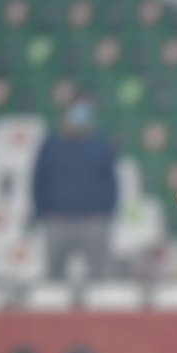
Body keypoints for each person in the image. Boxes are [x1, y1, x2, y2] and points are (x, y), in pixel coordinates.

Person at [31, 94, 118, 281]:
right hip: (58, 219)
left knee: (99, 277)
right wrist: (43, 212)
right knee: (53, 279)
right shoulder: (51, 144)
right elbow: (39, 180)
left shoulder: (101, 144)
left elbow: (111, 183)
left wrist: (105, 213)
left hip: (93, 221)